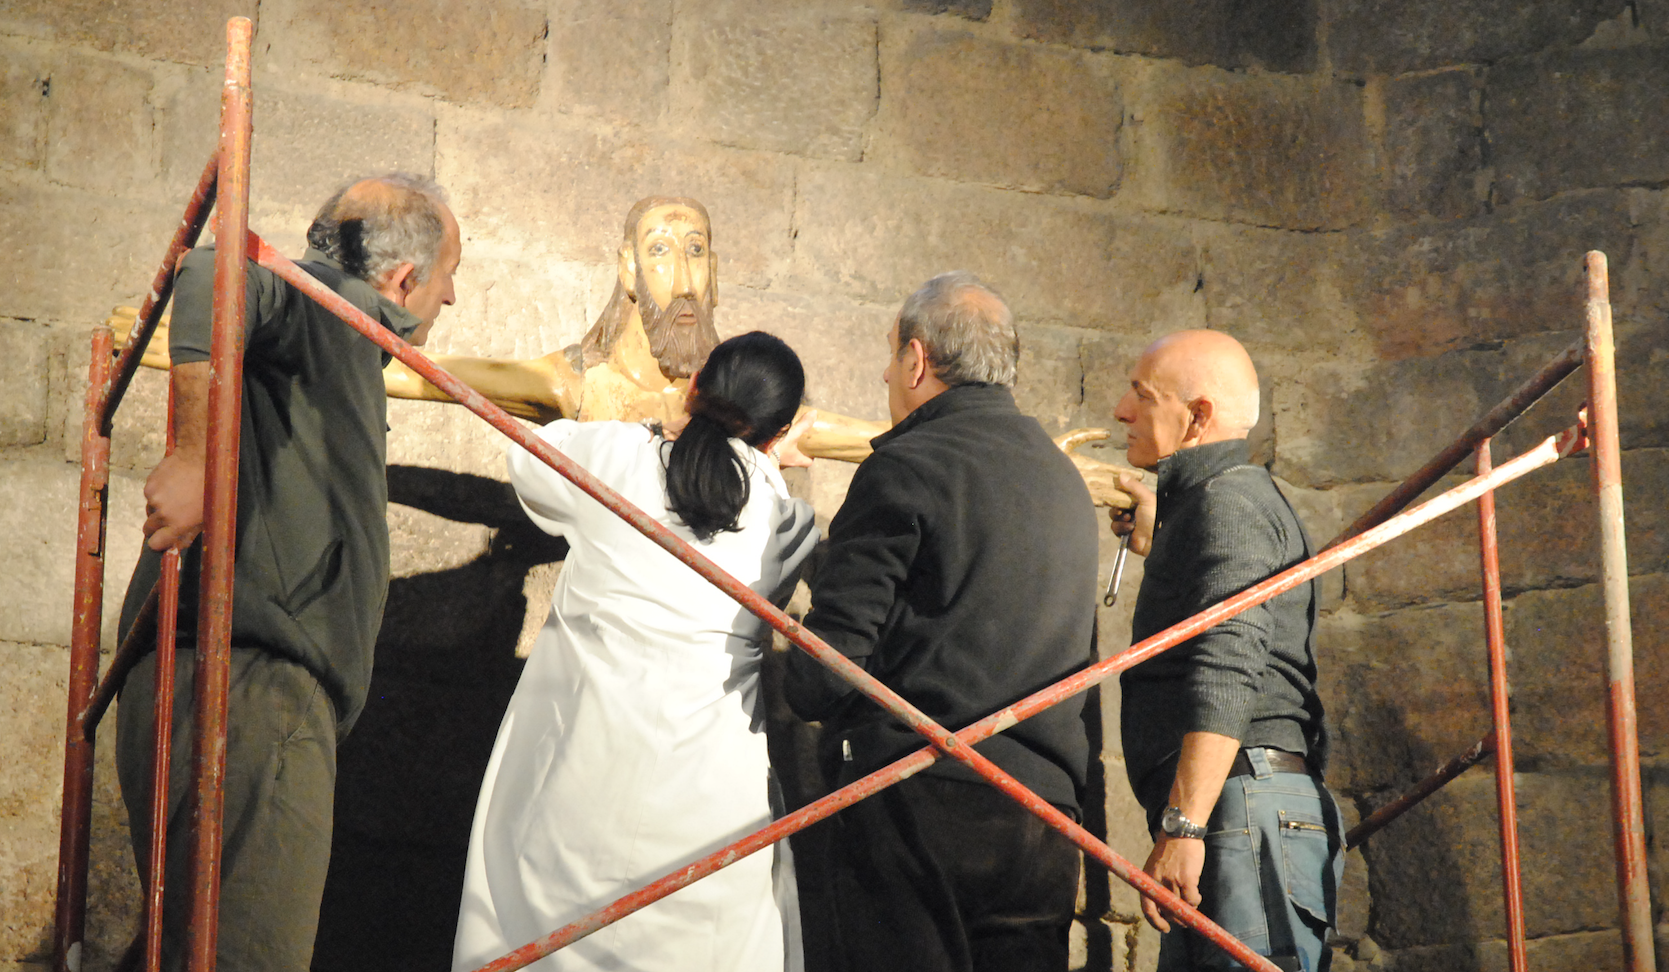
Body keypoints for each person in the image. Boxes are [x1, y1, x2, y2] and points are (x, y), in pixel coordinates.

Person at [114, 174, 463, 972]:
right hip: (253, 685)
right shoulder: (325, 308)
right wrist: (197, 457)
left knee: (187, 951)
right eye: (449, 276)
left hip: (228, 674)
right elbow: (212, 267)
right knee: (243, 954)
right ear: (404, 279)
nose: (452, 299)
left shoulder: (323, 336)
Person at [452, 331, 820, 972]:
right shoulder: (784, 523)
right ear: (779, 432)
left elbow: (531, 466)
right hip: (707, 797)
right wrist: (769, 464)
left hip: (583, 767)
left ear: (695, 383)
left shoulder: (617, 457)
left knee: (547, 935)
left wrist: (658, 421)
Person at [783, 271, 1098, 972]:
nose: (885, 373)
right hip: (1040, 817)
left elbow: (827, 674)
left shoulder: (907, 467)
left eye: (892, 356)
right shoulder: (1063, 482)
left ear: (918, 360)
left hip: (919, 801)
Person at [1110, 329, 1342, 971]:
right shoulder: (1219, 503)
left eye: (1141, 395)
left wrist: (1183, 825)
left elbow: (1230, 661)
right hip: (1240, 804)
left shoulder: (1230, 504)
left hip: (1240, 806)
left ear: (1198, 417)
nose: (1121, 411)